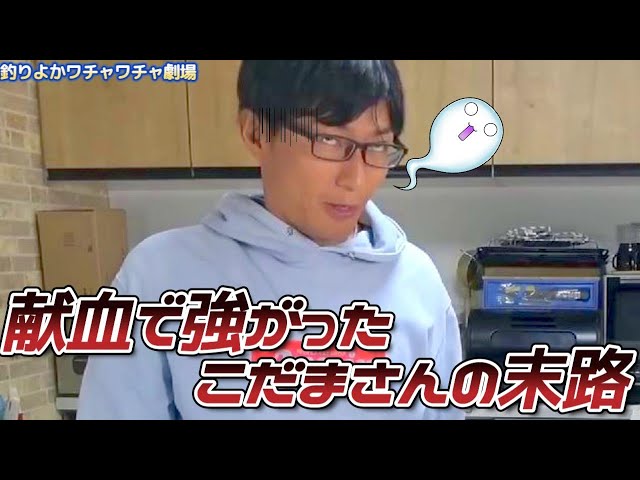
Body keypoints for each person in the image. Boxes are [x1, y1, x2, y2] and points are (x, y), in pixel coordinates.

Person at [77, 60, 465, 420]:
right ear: (256, 132)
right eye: (329, 140)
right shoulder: (161, 275)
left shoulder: (416, 281)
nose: (355, 179)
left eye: (378, 147)